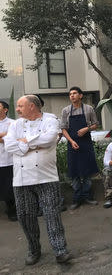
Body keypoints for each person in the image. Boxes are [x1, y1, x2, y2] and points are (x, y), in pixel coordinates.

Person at [4, 95, 71, 265]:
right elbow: (9, 145)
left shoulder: (50, 119)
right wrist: (34, 143)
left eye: (20, 106)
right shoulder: (15, 124)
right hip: (22, 180)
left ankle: (60, 250)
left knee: (52, 214)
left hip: (47, 177)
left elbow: (49, 139)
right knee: (26, 217)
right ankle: (34, 249)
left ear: (32, 106)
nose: (17, 109)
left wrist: (24, 142)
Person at [61, 87, 99, 210]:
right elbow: (63, 129)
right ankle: (77, 199)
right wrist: (71, 141)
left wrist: (86, 129)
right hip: (72, 144)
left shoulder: (89, 109)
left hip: (86, 144)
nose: (72, 96)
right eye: (70, 94)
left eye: (74, 93)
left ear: (80, 95)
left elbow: (95, 124)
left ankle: (88, 196)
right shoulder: (66, 110)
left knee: (87, 171)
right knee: (75, 172)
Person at [0, 101, 17, 221]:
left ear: (5, 109)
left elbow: (12, 138)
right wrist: (4, 135)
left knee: (9, 187)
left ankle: (11, 210)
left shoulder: (13, 123)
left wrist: (5, 137)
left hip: (8, 159)